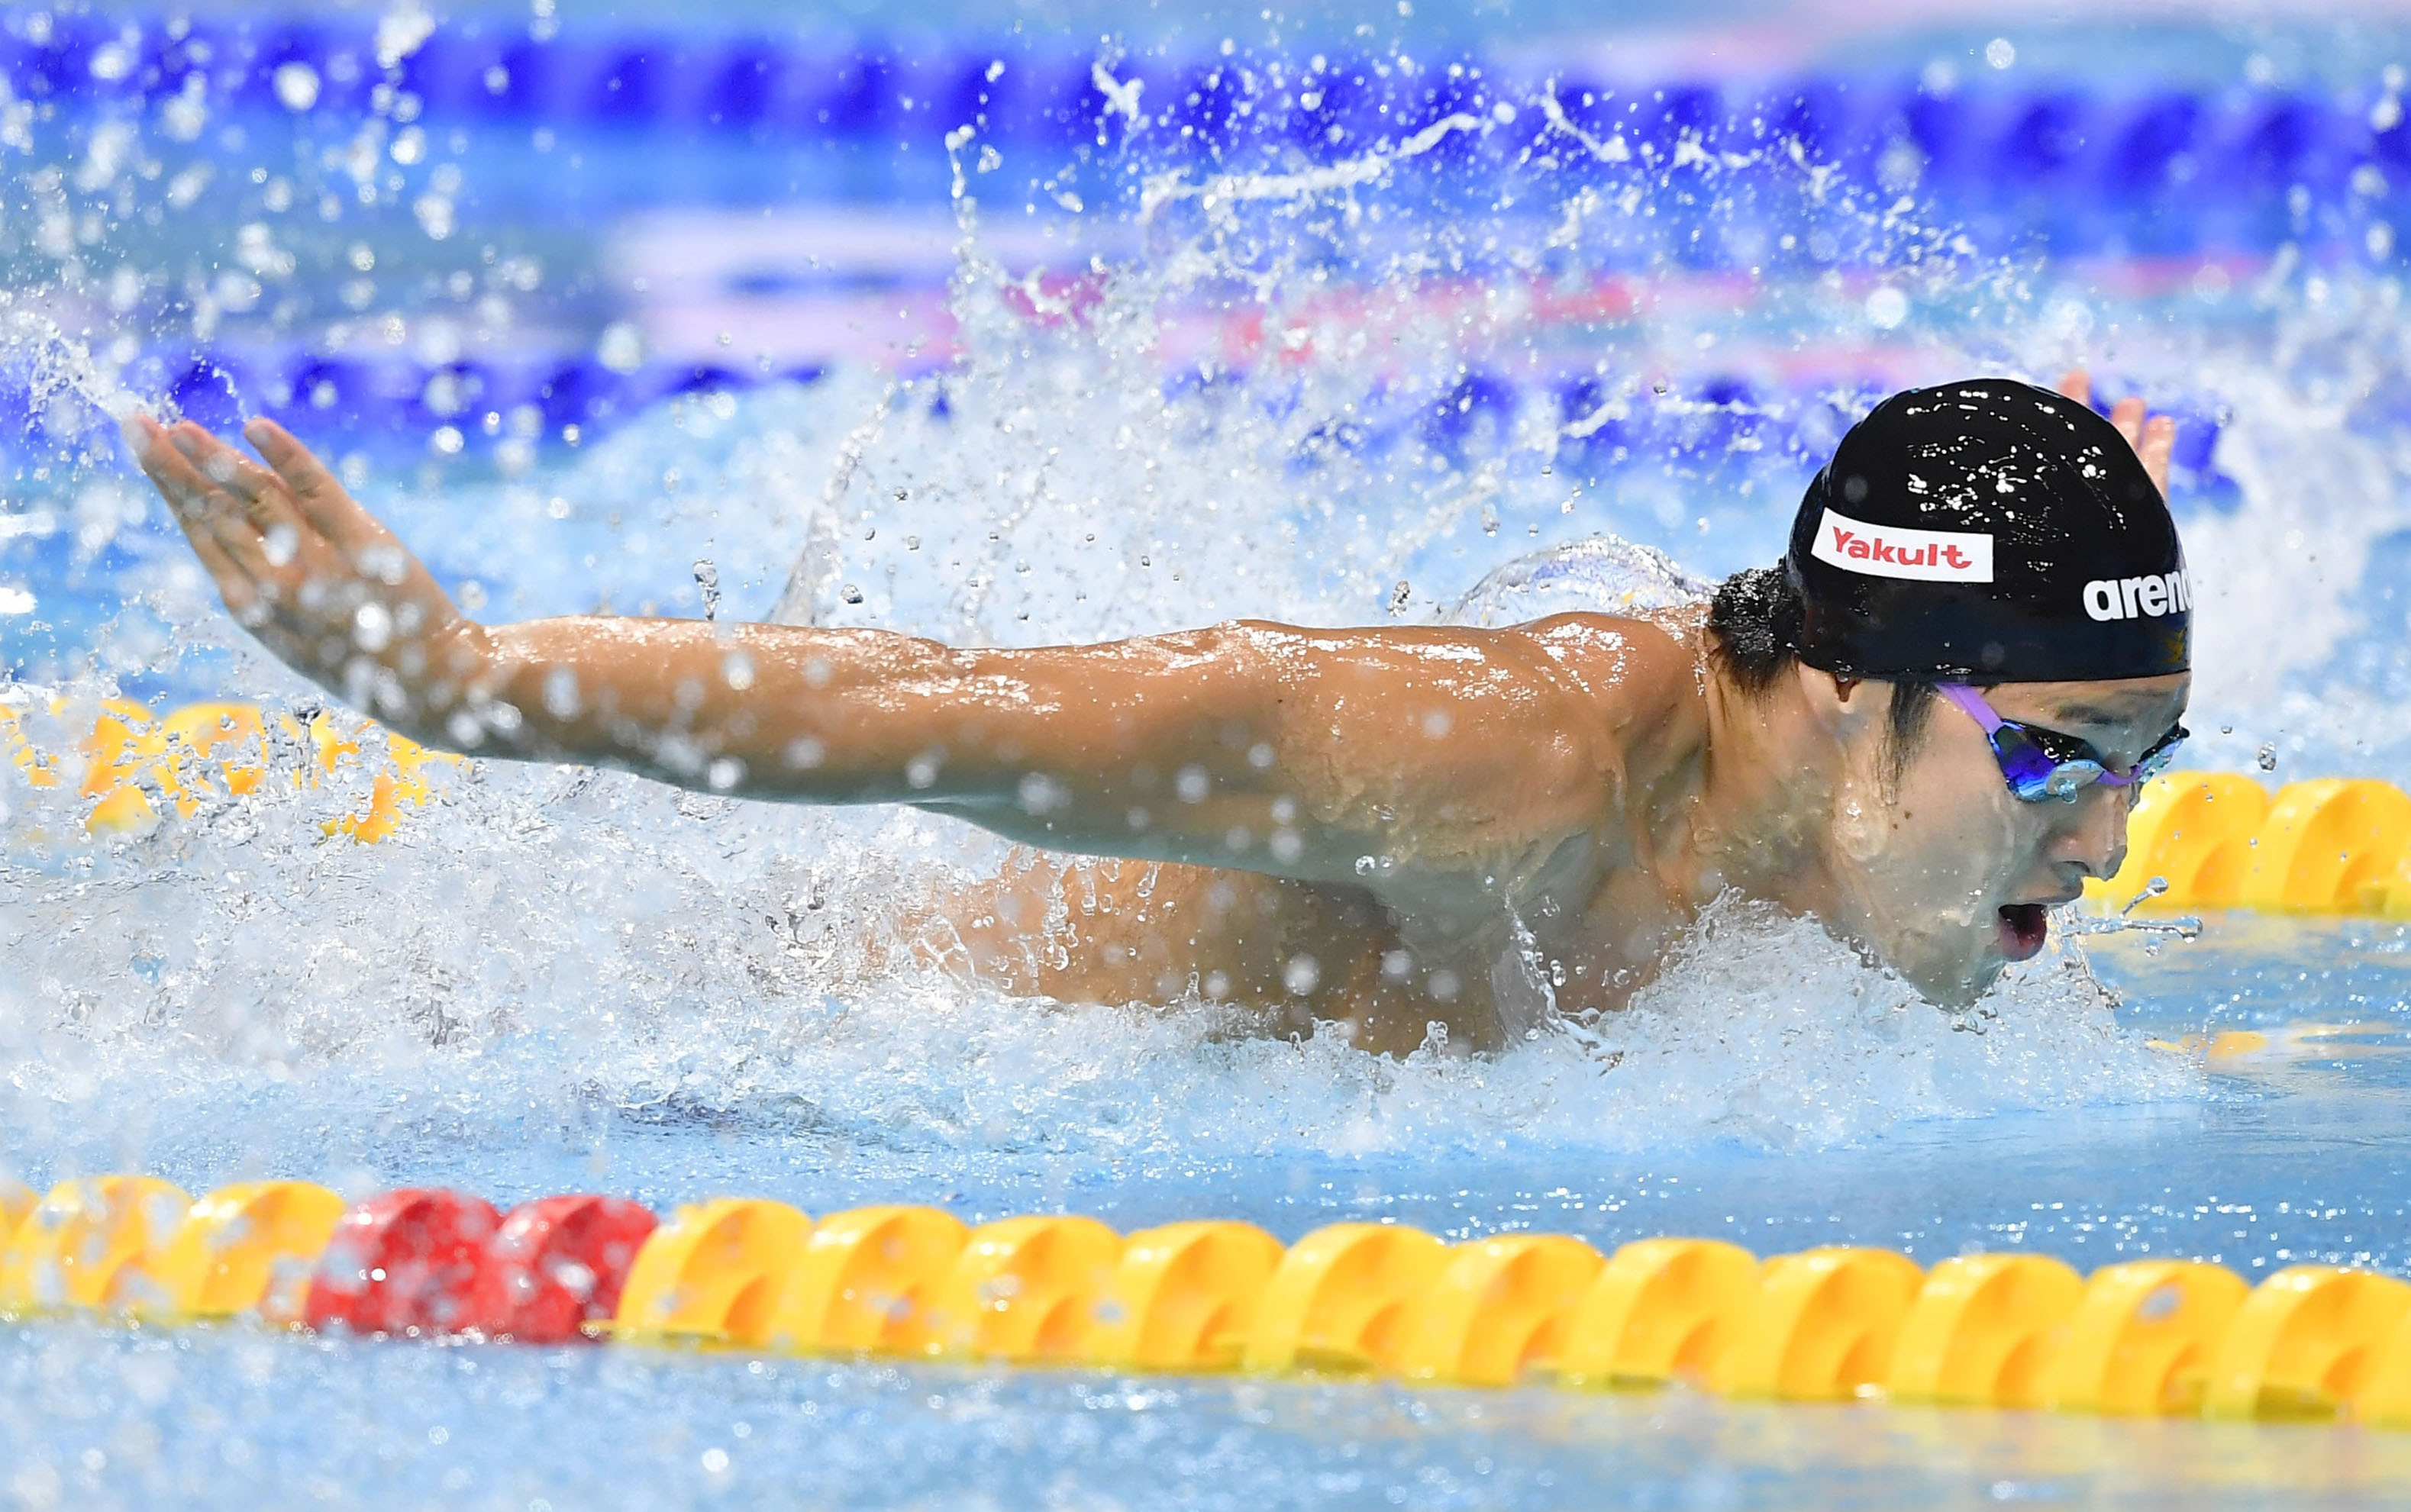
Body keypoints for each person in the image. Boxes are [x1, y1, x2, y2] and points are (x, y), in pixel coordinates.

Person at [123, 372, 2188, 1056]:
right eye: (2054, 757)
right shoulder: (1499, 756)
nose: (2099, 842)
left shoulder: (1823, 837)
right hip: (785, 1059)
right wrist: (462, 679)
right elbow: (937, 710)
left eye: (2130, 768)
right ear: (1845, 686)